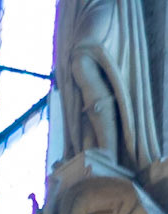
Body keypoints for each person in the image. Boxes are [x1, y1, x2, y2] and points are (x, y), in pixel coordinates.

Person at [54, 0, 161, 173]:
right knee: (75, 78)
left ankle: (108, 153)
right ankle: (90, 147)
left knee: (82, 60)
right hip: (74, 6)